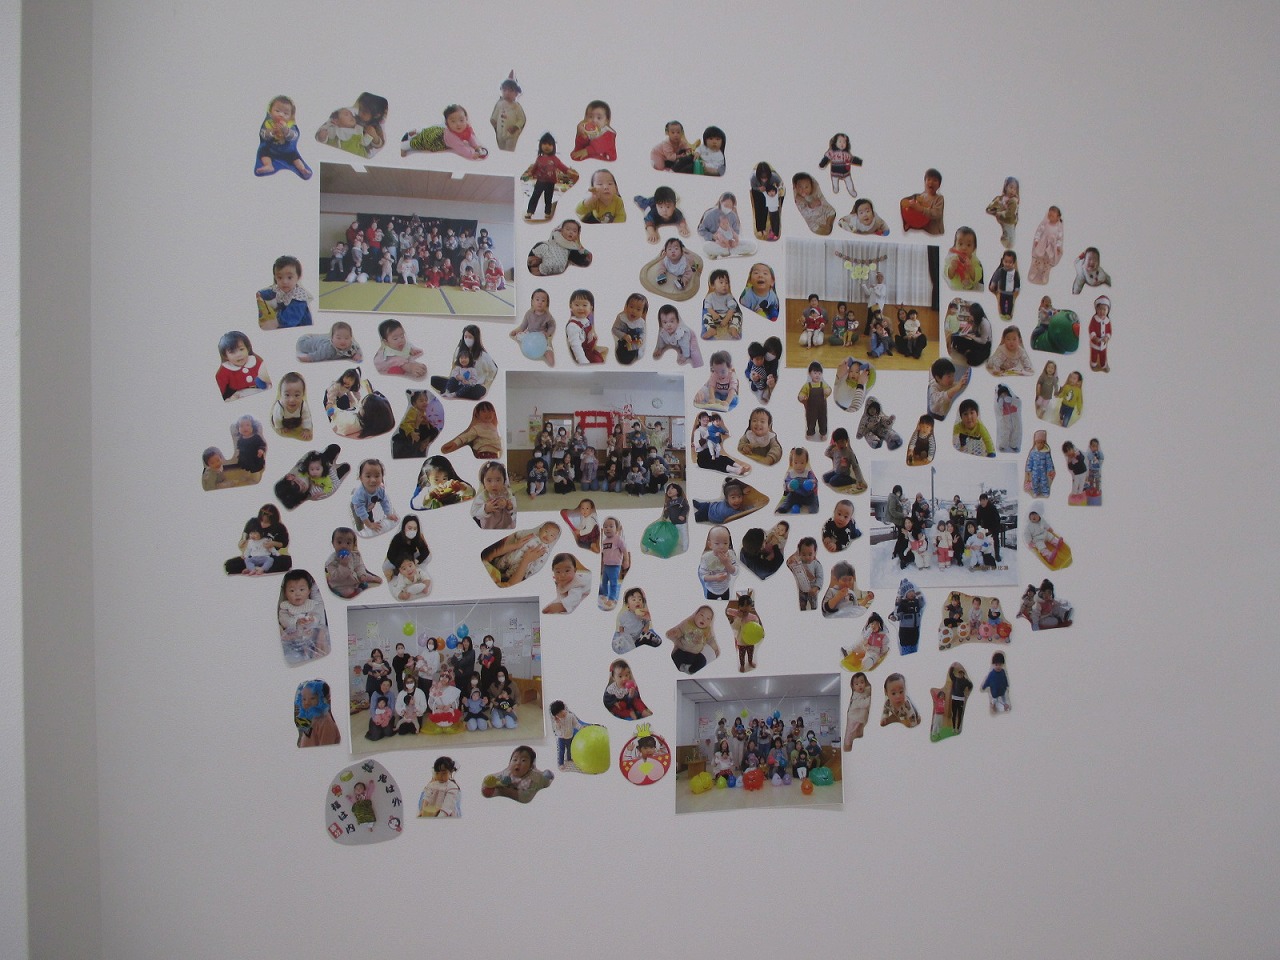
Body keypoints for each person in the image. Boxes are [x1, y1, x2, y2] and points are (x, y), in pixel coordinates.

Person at [521, 131, 576, 220]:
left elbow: (562, 167)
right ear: (540, 145)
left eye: (550, 144)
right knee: (535, 196)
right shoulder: (539, 158)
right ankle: (530, 212)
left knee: (548, 198)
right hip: (540, 181)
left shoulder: (554, 159)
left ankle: (547, 212)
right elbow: (534, 168)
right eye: (544, 144)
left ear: (553, 147)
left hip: (550, 182)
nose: (547, 146)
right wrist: (529, 174)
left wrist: (570, 172)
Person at [255, 95, 311, 179]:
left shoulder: (290, 126)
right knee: (263, 152)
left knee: (295, 157)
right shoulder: (268, 123)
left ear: (291, 116)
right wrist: (271, 132)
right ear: (270, 112)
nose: (281, 115)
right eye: (277, 111)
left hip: (287, 151)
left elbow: (294, 136)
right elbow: (263, 135)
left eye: (286, 113)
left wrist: (286, 131)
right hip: (272, 149)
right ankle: (269, 165)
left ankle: (302, 169)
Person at [482, 746, 555, 803]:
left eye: (523, 760)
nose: (518, 763)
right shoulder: (507, 773)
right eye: (515, 760)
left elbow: (526, 798)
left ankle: (547, 776)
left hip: (537, 782)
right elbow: (497, 778)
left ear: (530, 766)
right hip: (509, 787)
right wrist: (492, 783)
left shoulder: (533, 779)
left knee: (545, 779)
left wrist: (508, 792)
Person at [324, 527, 382, 598]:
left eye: (348, 543)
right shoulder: (331, 561)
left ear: (353, 545)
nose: (344, 546)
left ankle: (373, 578)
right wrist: (343, 565)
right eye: (339, 542)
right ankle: (357, 590)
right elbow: (337, 578)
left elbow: (359, 566)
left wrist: (361, 574)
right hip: (341, 584)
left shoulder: (355, 556)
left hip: (354, 578)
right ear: (333, 544)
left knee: (366, 576)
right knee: (348, 592)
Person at [215, 330, 271, 401]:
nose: (239, 355)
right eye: (232, 352)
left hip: (262, 390)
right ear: (226, 356)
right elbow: (220, 389)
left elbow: (267, 375)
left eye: (241, 349)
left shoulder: (256, 360)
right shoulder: (224, 370)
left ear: (247, 348)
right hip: (240, 396)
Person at [666, 607, 721, 674]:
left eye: (708, 618)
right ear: (695, 615)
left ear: (710, 622)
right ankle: (679, 668)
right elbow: (680, 631)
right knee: (675, 656)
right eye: (701, 615)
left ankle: (691, 670)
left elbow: (711, 640)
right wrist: (675, 633)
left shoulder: (707, 631)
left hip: (695, 654)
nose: (704, 619)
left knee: (702, 660)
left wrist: (716, 649)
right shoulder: (688, 624)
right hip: (682, 650)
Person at [351, 459, 398, 536]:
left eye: (377, 476)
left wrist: (388, 514)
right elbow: (361, 511)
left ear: (382, 477)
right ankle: (360, 531)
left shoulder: (380, 490)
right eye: (368, 476)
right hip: (357, 507)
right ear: (361, 478)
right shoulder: (360, 494)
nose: (373, 480)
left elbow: (385, 501)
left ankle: (370, 523)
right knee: (360, 524)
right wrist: (369, 525)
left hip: (369, 506)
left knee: (370, 518)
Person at [611, 587, 663, 653]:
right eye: (634, 600)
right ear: (627, 604)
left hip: (641, 635)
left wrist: (645, 629)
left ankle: (651, 640)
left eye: (640, 599)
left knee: (649, 634)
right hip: (629, 637)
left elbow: (647, 623)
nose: (637, 601)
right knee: (622, 642)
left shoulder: (643, 614)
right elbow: (621, 627)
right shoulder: (623, 615)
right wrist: (622, 635)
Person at [698, 525, 738, 600]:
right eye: (717, 543)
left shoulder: (731, 555)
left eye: (725, 543)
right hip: (711, 589)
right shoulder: (706, 558)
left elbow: (735, 572)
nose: (722, 547)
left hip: (725, 588)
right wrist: (715, 578)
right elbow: (703, 576)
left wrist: (727, 563)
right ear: (710, 544)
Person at [295, 680, 340, 747]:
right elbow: (306, 736)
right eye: (304, 699)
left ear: (323, 699)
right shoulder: (309, 715)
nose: (307, 703)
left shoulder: (325, 722)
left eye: (312, 698)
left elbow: (327, 749)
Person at [900, 167, 944, 235]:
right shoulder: (922, 196)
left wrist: (921, 209)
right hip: (923, 230)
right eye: (928, 179)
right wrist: (910, 223)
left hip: (934, 231)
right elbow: (916, 214)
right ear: (925, 182)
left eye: (935, 180)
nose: (931, 182)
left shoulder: (939, 198)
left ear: (939, 185)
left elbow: (937, 213)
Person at [1028, 205, 1064, 284]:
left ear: (1058, 217)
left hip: (1051, 247)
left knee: (1047, 261)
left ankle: (1045, 274)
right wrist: (1037, 239)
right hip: (1042, 243)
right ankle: (1034, 271)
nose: (1050, 216)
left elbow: (1059, 238)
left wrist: (1058, 247)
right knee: (1038, 258)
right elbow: (1039, 231)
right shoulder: (1045, 223)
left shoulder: (1059, 227)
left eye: (1052, 216)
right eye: (1049, 214)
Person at [787, 537, 823, 611]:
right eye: (803, 554)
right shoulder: (798, 563)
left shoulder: (816, 564)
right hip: (802, 590)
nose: (807, 557)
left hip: (812, 590)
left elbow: (820, 577)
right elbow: (790, 568)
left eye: (810, 554)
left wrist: (816, 588)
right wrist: (790, 562)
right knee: (802, 605)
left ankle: (813, 610)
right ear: (799, 553)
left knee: (814, 605)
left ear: (815, 553)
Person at [944, 226, 984, 291]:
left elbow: (979, 276)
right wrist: (952, 268)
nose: (964, 248)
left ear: (974, 248)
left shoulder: (975, 261)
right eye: (960, 244)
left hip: (971, 289)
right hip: (955, 288)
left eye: (968, 245)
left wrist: (971, 269)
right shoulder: (951, 259)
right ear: (955, 246)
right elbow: (948, 275)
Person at [612, 292, 647, 364]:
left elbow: (643, 332)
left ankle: (636, 353)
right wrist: (624, 335)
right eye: (631, 307)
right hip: (624, 343)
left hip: (635, 343)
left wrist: (641, 338)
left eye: (638, 309)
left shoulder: (641, 322)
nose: (633, 311)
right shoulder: (622, 318)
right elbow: (614, 329)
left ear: (643, 312)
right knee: (623, 358)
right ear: (626, 307)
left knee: (635, 355)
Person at [986, 176, 1020, 248]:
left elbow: (1010, 213)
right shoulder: (999, 199)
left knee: (1011, 242)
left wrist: (1000, 213)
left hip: (1009, 223)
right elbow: (988, 209)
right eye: (1011, 187)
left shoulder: (1013, 201)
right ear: (1006, 187)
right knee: (1008, 241)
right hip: (1001, 223)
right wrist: (996, 212)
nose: (1012, 190)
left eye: (1015, 189)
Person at [842, 673, 871, 750]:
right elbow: (864, 704)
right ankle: (847, 746)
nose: (860, 685)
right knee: (850, 734)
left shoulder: (864, 691)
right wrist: (870, 698)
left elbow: (868, 689)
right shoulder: (855, 697)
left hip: (860, 719)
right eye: (857, 684)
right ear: (853, 687)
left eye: (862, 682)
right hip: (853, 719)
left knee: (859, 734)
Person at [1088, 295, 1113, 373]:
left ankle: (1103, 365)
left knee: (1103, 355)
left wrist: (1107, 337)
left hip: (1103, 344)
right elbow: (1091, 328)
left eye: (1104, 309)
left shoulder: (1107, 321)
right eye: (1100, 309)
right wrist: (1094, 337)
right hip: (1095, 342)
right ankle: (1093, 364)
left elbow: (1109, 331)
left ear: (1108, 310)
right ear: (1096, 309)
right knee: (1094, 355)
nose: (1102, 311)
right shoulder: (1094, 319)